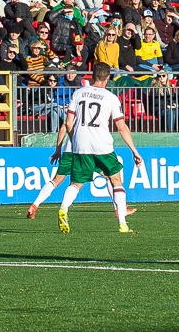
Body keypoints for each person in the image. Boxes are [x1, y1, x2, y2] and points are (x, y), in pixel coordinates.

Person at [28, 77, 144, 233]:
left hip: (79, 146)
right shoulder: (110, 97)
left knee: (74, 182)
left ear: (92, 77)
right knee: (115, 179)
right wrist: (134, 151)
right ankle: (122, 221)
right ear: (108, 78)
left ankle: (62, 208)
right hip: (101, 145)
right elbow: (121, 127)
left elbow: (67, 124)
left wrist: (68, 143)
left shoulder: (79, 94)